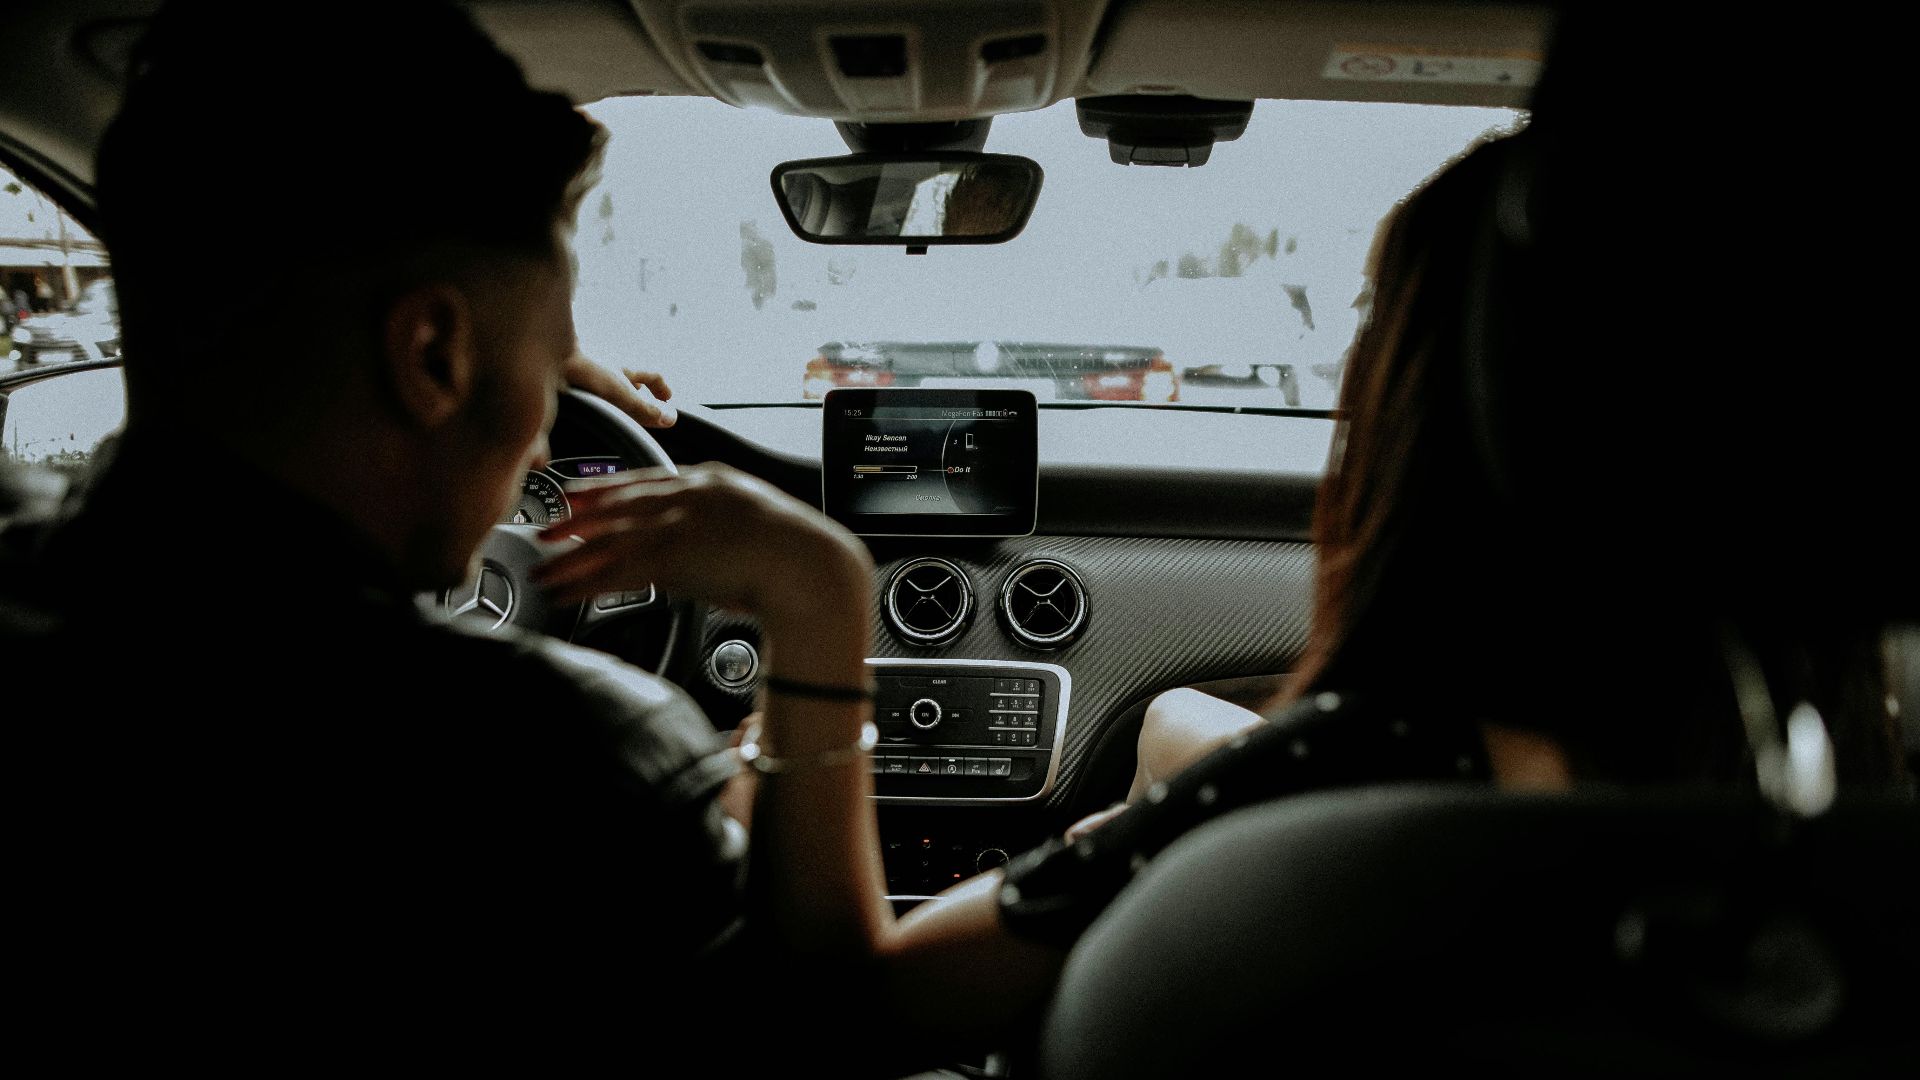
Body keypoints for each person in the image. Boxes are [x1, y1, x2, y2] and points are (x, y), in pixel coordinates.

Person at [0, 1, 875, 1054]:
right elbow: (827, 1032)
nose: (542, 444)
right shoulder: (578, 768)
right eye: (548, 378)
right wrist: (824, 601)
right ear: (429, 357)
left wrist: (506, 352)